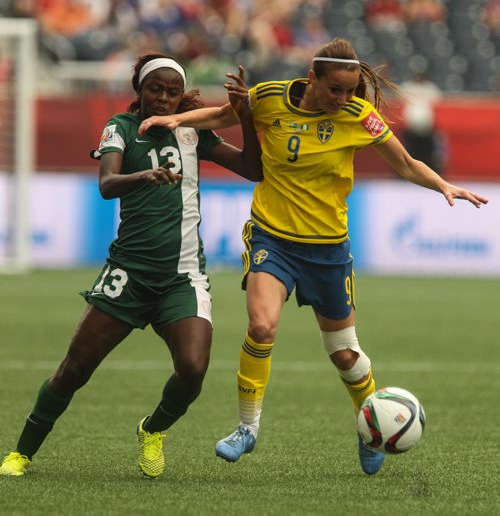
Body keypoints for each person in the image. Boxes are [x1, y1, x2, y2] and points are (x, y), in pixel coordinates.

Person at [137, 37, 489, 476]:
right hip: (273, 237)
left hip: (328, 249)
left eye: (350, 91)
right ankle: (247, 428)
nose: (343, 100)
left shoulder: (360, 116)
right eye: (335, 90)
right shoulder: (269, 98)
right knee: (262, 326)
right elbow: (224, 116)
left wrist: (444, 186)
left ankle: (371, 427)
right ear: (312, 79)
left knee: (344, 354)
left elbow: (404, 163)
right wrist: (175, 120)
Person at [0, 53, 262, 478]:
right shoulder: (119, 128)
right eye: (155, 89)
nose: (163, 98)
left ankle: (152, 429)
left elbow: (253, 169)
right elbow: (106, 184)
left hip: (182, 278)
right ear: (139, 90)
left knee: (193, 370)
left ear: (181, 96)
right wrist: (144, 176)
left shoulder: (192, 131)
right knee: (74, 371)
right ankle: (22, 453)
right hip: (128, 276)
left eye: (172, 92)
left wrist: (245, 115)